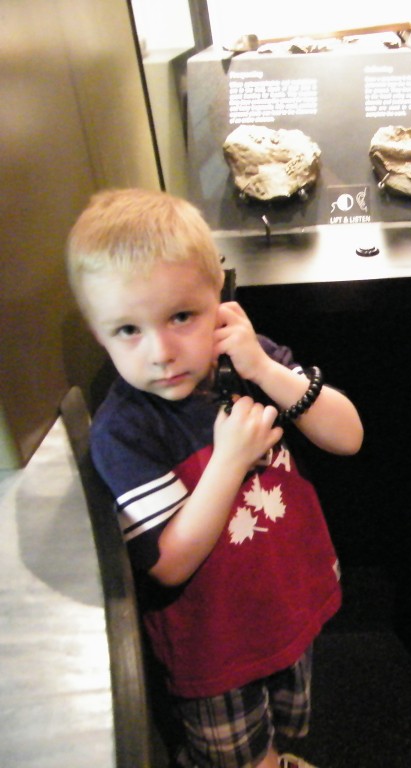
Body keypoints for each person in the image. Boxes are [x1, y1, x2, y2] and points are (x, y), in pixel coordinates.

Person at [66, 189, 364, 768]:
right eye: (128, 329)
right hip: (215, 646)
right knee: (237, 757)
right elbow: (168, 562)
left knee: (284, 731)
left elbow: (347, 435)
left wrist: (265, 369)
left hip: (286, 600)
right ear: (99, 333)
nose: (161, 352)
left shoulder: (249, 362)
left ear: (220, 302)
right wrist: (230, 461)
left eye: (182, 316)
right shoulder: (126, 430)